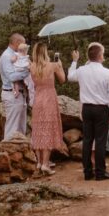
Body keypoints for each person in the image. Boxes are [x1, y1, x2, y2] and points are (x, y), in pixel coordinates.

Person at [69, 42, 109, 181]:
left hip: (86, 108)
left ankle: (87, 172)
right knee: (100, 141)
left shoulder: (81, 70)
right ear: (100, 56)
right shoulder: (106, 72)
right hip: (101, 109)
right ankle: (100, 172)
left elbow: (70, 77)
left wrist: (74, 61)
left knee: (87, 140)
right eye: (103, 54)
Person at [29, 42, 67, 175]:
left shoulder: (31, 66)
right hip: (49, 98)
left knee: (38, 130)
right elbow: (62, 80)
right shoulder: (53, 66)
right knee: (48, 130)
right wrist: (60, 66)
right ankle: (45, 164)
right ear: (45, 52)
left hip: (38, 99)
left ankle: (39, 163)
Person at [0, 32, 30, 140]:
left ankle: (19, 154)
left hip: (21, 95)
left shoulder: (18, 56)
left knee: (21, 129)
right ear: (17, 43)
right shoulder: (7, 56)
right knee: (12, 128)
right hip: (12, 94)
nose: (25, 48)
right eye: (24, 45)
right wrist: (27, 71)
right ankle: (7, 152)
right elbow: (12, 77)